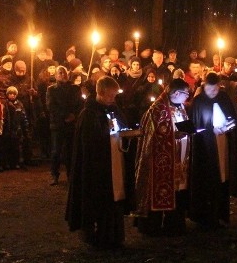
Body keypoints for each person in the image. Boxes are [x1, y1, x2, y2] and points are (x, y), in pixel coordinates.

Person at [65, 76, 127, 249]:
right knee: (96, 199)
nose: (112, 99)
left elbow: (122, 126)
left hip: (113, 161)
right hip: (96, 166)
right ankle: (93, 233)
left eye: (114, 96)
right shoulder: (89, 114)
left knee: (113, 198)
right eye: (110, 96)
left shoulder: (113, 109)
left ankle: (113, 233)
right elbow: (88, 143)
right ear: (100, 93)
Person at [134, 78, 192, 236]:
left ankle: (173, 224)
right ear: (176, 93)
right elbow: (152, 136)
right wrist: (174, 135)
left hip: (178, 158)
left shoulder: (180, 106)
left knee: (176, 191)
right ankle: (152, 227)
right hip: (159, 161)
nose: (188, 97)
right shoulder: (158, 110)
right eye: (186, 94)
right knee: (158, 190)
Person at [189, 73, 237, 229]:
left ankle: (220, 214)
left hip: (222, 144)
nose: (213, 91)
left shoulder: (224, 98)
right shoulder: (198, 101)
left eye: (216, 88)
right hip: (204, 147)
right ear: (204, 86)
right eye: (210, 88)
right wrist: (207, 131)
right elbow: (194, 124)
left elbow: (233, 120)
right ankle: (204, 216)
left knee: (221, 177)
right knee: (206, 178)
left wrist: (226, 128)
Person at [46, 66, 83, 185]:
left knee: (70, 151)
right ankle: (54, 175)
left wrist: (74, 115)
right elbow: (51, 106)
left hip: (71, 124)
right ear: (56, 75)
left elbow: (79, 104)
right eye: (60, 73)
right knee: (56, 151)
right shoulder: (51, 90)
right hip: (58, 124)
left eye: (64, 73)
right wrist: (65, 116)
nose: (62, 75)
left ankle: (71, 175)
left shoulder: (75, 89)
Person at [4, 86, 30, 169]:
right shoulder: (5, 104)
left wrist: (25, 126)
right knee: (8, 146)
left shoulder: (19, 104)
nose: (12, 95)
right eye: (10, 94)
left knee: (17, 146)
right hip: (8, 128)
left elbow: (23, 116)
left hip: (17, 128)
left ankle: (17, 162)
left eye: (14, 94)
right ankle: (9, 162)